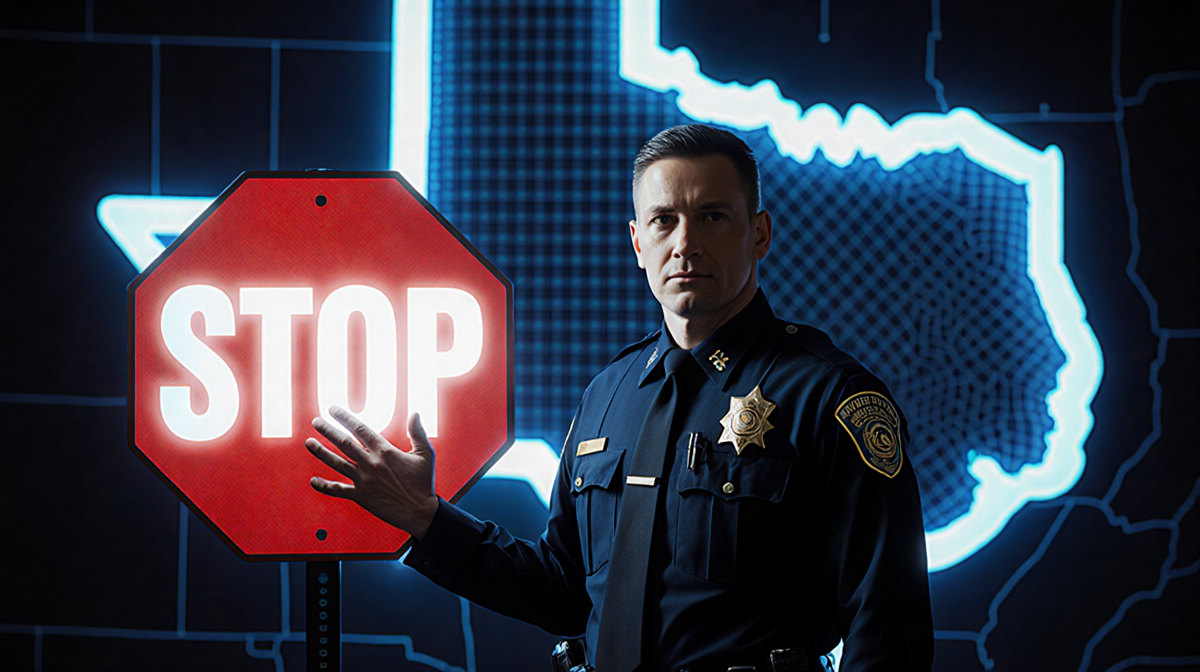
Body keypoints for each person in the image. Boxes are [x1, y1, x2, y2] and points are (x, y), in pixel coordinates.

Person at [305, 124, 934, 671]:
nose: (685, 243)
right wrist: (428, 518)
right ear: (638, 243)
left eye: (713, 216)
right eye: (664, 220)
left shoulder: (832, 397)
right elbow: (564, 593)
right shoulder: (609, 395)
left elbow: (891, 635)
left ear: (760, 234)